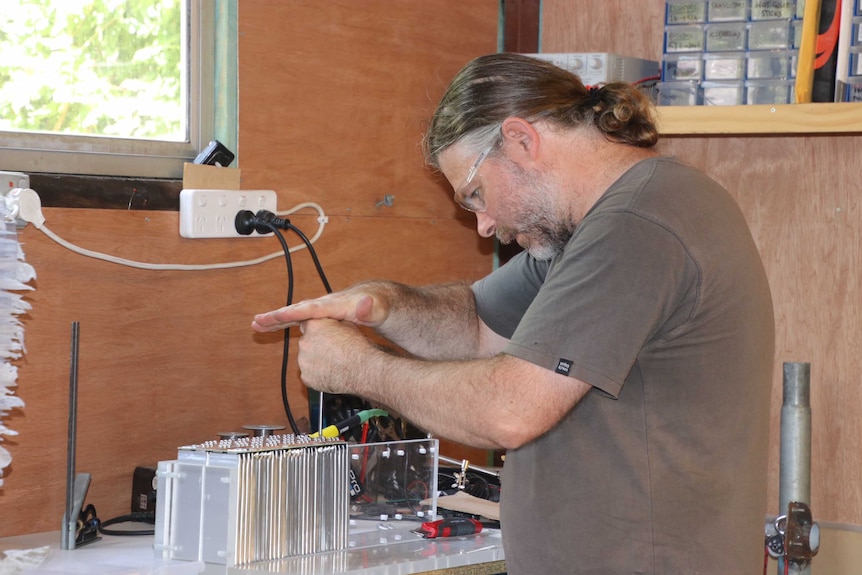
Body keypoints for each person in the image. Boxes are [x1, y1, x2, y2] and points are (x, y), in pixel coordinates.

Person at [252, 53, 775, 574]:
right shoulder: (593, 228)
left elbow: (511, 411)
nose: (483, 226)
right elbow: (480, 325)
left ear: (521, 139)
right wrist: (382, 305)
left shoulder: (636, 226)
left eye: (476, 195)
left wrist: (361, 370)